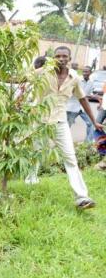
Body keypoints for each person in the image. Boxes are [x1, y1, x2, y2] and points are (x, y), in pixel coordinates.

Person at [27, 46, 98, 210]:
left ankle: (82, 197)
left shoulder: (74, 78)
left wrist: (94, 122)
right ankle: (30, 183)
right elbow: (25, 79)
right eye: (58, 56)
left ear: (69, 58)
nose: (61, 58)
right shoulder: (43, 72)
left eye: (64, 56)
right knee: (35, 153)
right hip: (40, 121)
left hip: (60, 122)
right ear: (53, 57)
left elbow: (83, 99)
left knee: (70, 157)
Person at [66, 66, 94, 142]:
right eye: (83, 71)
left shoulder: (91, 82)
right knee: (67, 126)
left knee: (91, 123)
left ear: (90, 73)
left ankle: (88, 142)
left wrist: (94, 96)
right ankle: (64, 142)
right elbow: (75, 93)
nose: (85, 73)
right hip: (73, 107)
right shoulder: (77, 80)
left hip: (83, 107)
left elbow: (88, 94)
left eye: (86, 72)